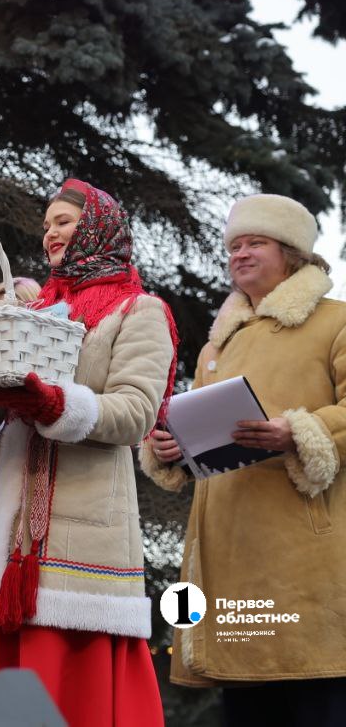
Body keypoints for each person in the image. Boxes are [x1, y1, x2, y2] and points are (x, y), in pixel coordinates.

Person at [0, 179, 175, 727]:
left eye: (63, 222)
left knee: (71, 698)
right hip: (7, 542)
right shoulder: (37, 310)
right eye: (46, 225)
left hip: (81, 537)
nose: (50, 234)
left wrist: (54, 403)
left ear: (97, 227)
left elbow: (137, 412)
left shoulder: (139, 311)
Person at [142, 194, 346, 726]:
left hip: (308, 562)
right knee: (249, 708)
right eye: (234, 245)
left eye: (255, 242)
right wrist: (172, 449)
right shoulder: (219, 346)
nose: (239, 254)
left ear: (294, 255)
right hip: (230, 565)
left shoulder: (336, 322)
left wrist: (299, 430)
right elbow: (203, 430)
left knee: (318, 701)